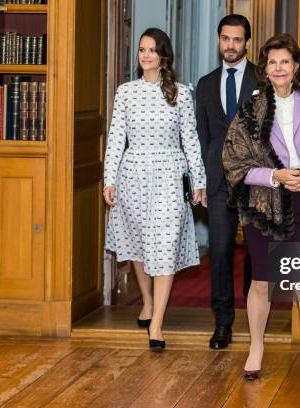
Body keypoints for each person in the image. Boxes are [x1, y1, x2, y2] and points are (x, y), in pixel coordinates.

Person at [222, 34, 300, 396]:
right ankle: (256, 347)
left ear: (296, 67)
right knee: (262, 281)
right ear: (265, 69)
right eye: (272, 62)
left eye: (285, 61)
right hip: (265, 206)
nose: (279, 68)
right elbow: (233, 162)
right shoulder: (250, 111)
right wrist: (274, 175)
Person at [103, 28, 206, 352]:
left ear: (164, 56)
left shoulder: (181, 93)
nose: (145, 55)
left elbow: (190, 140)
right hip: (132, 174)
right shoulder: (126, 92)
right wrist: (109, 179)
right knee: (138, 243)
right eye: (141, 50)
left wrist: (199, 180)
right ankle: (146, 301)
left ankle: (157, 324)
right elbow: (116, 137)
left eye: (151, 50)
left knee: (163, 246)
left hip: (170, 176)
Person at [195, 14, 257, 350]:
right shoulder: (205, 84)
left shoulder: (263, 79)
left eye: (237, 39)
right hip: (217, 181)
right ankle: (223, 322)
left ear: (246, 42)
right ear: (219, 40)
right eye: (225, 39)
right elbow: (202, 135)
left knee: (253, 252)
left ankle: (254, 314)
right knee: (219, 252)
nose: (230, 45)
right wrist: (199, 180)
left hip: (255, 180)